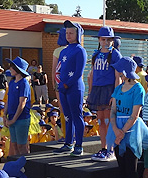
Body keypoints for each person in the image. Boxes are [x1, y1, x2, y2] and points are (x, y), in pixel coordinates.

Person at [107, 57, 148, 178]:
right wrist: (115, 129)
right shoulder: (118, 89)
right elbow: (112, 110)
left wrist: (122, 131)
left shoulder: (138, 89)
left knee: (131, 167)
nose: (116, 71)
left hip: (131, 131)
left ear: (125, 71)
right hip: (117, 129)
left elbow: (135, 114)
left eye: (119, 69)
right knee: (122, 166)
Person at [52, 21, 87, 157]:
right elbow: (58, 69)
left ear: (77, 34)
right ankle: (68, 143)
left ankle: (79, 145)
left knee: (77, 116)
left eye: (71, 33)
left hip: (75, 88)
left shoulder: (80, 50)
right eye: (67, 33)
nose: (68, 35)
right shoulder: (64, 51)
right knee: (67, 117)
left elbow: (79, 72)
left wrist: (67, 83)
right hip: (63, 87)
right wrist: (60, 83)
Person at [88, 26, 122, 161]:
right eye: (103, 39)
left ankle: (110, 150)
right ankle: (103, 148)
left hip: (109, 89)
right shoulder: (95, 55)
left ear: (113, 41)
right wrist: (90, 92)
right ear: (99, 40)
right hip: (97, 89)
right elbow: (92, 74)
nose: (106, 42)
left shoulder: (115, 54)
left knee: (109, 121)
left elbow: (117, 77)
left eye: (109, 40)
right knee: (101, 120)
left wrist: (115, 94)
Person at [4, 57, 31, 156]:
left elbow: (22, 103)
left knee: (21, 146)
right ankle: (17, 167)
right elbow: (8, 100)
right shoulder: (11, 83)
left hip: (21, 119)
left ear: (17, 69)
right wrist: (4, 115)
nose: (10, 69)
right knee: (14, 145)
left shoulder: (24, 83)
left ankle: (26, 166)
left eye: (12, 67)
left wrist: (14, 119)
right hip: (11, 117)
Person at [52, 28, 67, 139]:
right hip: (72, 82)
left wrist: (54, 84)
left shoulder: (57, 51)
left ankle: (66, 133)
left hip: (60, 82)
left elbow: (54, 69)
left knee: (62, 108)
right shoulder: (74, 49)